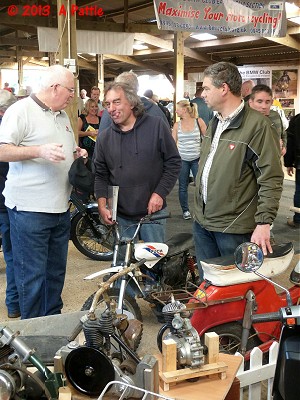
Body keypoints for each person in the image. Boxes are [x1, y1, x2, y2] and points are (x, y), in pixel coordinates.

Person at [0, 65, 88, 319]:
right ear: (54, 87)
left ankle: (53, 324)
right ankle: (33, 335)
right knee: (33, 276)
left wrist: (77, 154)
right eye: (70, 90)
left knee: (55, 273)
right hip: (29, 211)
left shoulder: (62, 116)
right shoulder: (20, 111)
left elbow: (67, 150)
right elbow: (3, 150)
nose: (73, 95)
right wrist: (39, 151)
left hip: (60, 208)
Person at [193, 62, 283, 280]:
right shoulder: (215, 122)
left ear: (223, 88)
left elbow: (270, 178)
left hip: (233, 227)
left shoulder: (257, 127)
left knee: (238, 291)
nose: (202, 94)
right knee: (209, 286)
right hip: (203, 222)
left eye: (206, 89)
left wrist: (263, 223)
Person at [93, 81, 181, 244]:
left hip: (152, 213)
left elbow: (173, 162)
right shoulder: (104, 138)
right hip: (120, 215)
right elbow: (100, 175)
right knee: (123, 265)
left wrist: (159, 193)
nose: (111, 108)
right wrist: (102, 205)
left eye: (117, 102)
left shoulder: (156, 126)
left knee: (154, 264)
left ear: (132, 102)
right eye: (108, 104)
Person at [0, 89, 19, 318]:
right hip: (7, 202)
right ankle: (13, 304)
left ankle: (14, 303)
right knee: (14, 255)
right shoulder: (8, 133)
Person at [99, 71, 170, 132]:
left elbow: (101, 144)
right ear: (137, 88)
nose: (111, 108)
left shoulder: (109, 113)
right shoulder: (156, 112)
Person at [172, 99, 206, 220]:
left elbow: (207, 140)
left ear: (185, 109)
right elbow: (173, 143)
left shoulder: (199, 122)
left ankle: (200, 210)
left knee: (200, 186)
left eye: (178, 108)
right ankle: (185, 210)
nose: (176, 111)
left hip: (197, 159)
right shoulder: (177, 125)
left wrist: (204, 157)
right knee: (182, 186)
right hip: (183, 160)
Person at [248, 84, 287, 156]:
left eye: (267, 102)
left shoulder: (275, 115)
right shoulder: (245, 120)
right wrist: (274, 144)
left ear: (271, 102)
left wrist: (283, 146)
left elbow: (283, 134)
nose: (264, 106)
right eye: (259, 102)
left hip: (275, 162)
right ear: (251, 102)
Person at [284, 114, 300, 229]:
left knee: (299, 191)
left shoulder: (297, 120)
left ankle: (298, 219)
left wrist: (289, 163)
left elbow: (291, 142)